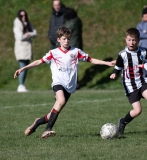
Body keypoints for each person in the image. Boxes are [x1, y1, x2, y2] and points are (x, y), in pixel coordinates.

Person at [14, 27, 114, 139]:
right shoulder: (53, 53)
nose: (66, 41)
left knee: (53, 112)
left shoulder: (76, 52)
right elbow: (39, 61)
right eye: (64, 38)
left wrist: (107, 63)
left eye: (68, 39)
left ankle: (37, 122)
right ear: (58, 40)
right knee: (61, 100)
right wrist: (23, 69)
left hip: (69, 87)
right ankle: (47, 129)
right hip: (58, 83)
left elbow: (90, 60)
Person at [110, 28, 147, 136]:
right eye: (129, 40)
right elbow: (118, 66)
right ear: (126, 40)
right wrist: (114, 73)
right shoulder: (122, 54)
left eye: (134, 40)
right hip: (130, 85)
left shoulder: (144, 52)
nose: (131, 42)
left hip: (143, 81)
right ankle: (123, 122)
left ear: (138, 40)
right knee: (137, 110)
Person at [13, 9, 37, 92]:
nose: (24, 17)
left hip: (27, 48)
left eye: (25, 15)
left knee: (26, 66)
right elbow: (20, 37)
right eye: (22, 15)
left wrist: (28, 34)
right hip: (21, 48)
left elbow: (34, 33)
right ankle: (20, 85)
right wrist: (28, 34)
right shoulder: (17, 25)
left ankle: (22, 84)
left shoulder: (27, 24)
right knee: (22, 66)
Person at [63, 7, 83, 89]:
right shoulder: (78, 21)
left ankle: (73, 83)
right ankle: (74, 82)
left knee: (69, 66)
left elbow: (64, 33)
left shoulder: (70, 23)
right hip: (77, 45)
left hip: (71, 46)